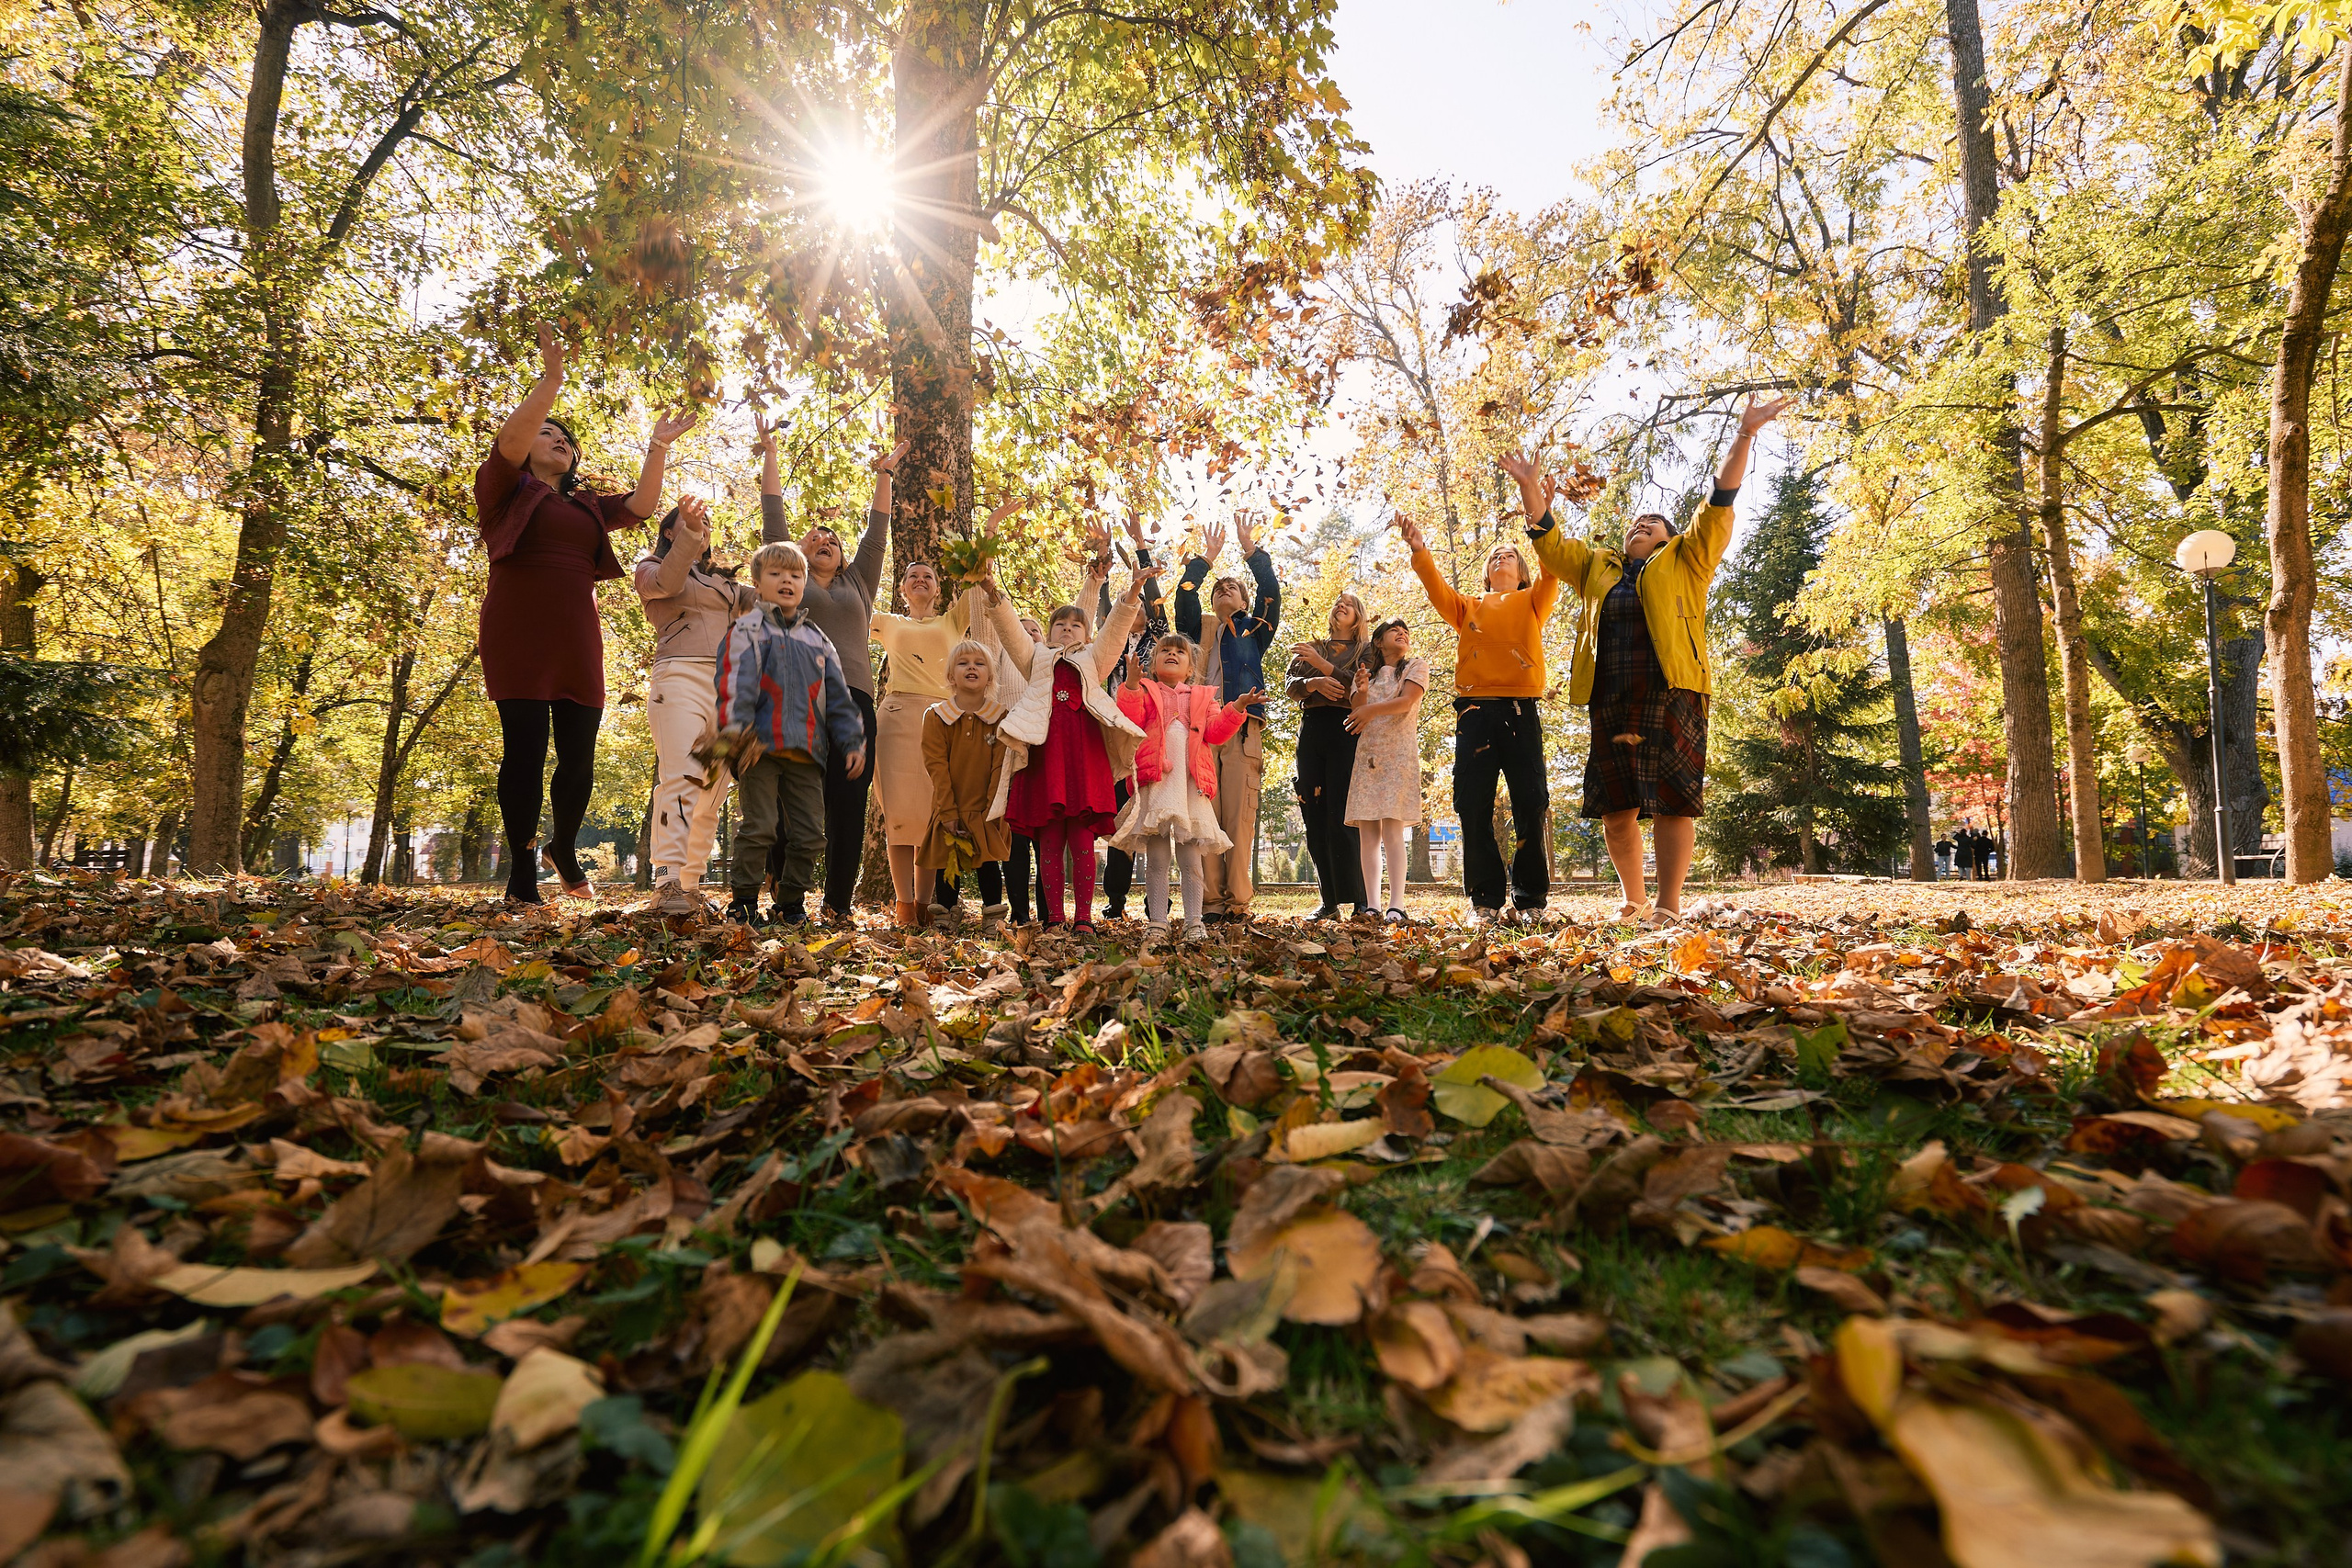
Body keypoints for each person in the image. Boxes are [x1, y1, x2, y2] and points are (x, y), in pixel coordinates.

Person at [1508, 396, 1788, 921]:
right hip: (1611, 696)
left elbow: (1720, 498)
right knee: (1618, 809)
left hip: (1674, 689)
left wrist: (1745, 434)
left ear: (1670, 535)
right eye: (1635, 523)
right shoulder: (1597, 566)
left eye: (1653, 522)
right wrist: (1530, 490)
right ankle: (1633, 902)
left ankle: (1667, 905)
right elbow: (1551, 545)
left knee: (1673, 800)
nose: (1642, 524)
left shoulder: (1690, 557)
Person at [477, 321, 693, 905]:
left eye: (566, 440)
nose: (558, 441)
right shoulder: (503, 490)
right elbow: (510, 440)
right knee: (523, 752)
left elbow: (644, 506)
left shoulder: (585, 506)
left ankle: (563, 844)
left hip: (576, 634)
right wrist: (550, 383)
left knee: (578, 760)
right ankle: (522, 871)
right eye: (547, 435)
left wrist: (659, 447)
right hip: (518, 629)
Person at [636, 441, 800, 916]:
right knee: (682, 775)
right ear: (670, 530)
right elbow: (666, 583)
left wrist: (796, 559)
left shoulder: (727, 584)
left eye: (706, 528)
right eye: (690, 526)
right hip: (680, 678)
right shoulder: (652, 569)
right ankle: (666, 881)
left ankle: (690, 885)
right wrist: (687, 538)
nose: (702, 532)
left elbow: (776, 600)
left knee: (712, 789)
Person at [1394, 513, 1559, 922]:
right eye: (1494, 557)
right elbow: (1436, 589)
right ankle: (1485, 901)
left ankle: (1531, 899)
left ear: (1522, 572)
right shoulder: (1467, 607)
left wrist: (1542, 522)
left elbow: (1551, 569)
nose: (1501, 558)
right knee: (1471, 804)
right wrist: (1419, 549)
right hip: (1474, 712)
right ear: (1487, 574)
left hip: (1521, 710)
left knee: (1531, 802)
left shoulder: (1533, 600)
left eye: (1510, 556)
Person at [777, 431, 904, 924]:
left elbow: (877, 531)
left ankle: (837, 903)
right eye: (815, 537)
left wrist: (884, 473)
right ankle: (787, 899)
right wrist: (771, 455)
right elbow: (774, 518)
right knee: (794, 801)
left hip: (853, 702)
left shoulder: (857, 583)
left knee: (848, 803)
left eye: (833, 539)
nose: (825, 540)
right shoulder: (787, 580)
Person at [870, 512, 1014, 928]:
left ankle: (930, 905)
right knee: (899, 814)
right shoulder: (888, 622)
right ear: (901, 588)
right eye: (912, 576)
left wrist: (987, 532)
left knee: (935, 814)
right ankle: (904, 906)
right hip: (897, 718)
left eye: (928, 576)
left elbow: (976, 574)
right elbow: (850, 611)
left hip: (946, 720)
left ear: (938, 588)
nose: (920, 580)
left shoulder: (953, 619)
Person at [713, 541, 865, 923]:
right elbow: (733, 683)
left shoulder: (817, 638)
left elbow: (839, 695)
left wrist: (851, 741)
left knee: (811, 834)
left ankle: (791, 904)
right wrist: (733, 734)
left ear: (804, 584)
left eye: (796, 575)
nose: (787, 581)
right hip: (759, 747)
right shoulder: (746, 629)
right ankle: (744, 901)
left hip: (808, 752)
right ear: (758, 583)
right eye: (776, 574)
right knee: (760, 827)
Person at [991, 570, 1146, 932]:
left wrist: (1133, 592)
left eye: (1075, 626)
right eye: (1059, 624)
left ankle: (1083, 919)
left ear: (1088, 635)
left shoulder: (1095, 659)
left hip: (1084, 757)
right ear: (1047, 634)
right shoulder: (1036, 660)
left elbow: (1116, 629)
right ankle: (1055, 918)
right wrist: (992, 593)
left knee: (1081, 839)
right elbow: (1011, 632)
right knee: (1049, 838)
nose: (1066, 629)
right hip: (1045, 757)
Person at [1111, 634, 1258, 940]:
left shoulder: (1204, 697)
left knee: (1191, 857)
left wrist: (1237, 708)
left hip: (1190, 784)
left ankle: (1194, 921)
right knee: (1158, 857)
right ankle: (1158, 922)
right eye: (1165, 650)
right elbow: (1132, 719)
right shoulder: (1146, 690)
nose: (1172, 654)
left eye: (1180, 652)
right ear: (1153, 664)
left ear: (1190, 668)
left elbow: (1216, 733)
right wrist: (1132, 685)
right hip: (1159, 782)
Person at [1174, 512, 1280, 923]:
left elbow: (1271, 592)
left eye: (1232, 588)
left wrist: (1251, 551)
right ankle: (1212, 904)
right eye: (1218, 589)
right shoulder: (1196, 630)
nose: (1223, 591)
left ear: (1244, 601)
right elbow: (1184, 594)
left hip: (1240, 729)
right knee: (1206, 818)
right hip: (1199, 731)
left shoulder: (1255, 628)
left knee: (1237, 817)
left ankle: (1237, 903)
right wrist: (1206, 562)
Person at [1096, 513, 1170, 920]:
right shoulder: (1111, 640)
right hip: (1116, 736)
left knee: (1157, 817)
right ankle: (1116, 900)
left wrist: (1140, 543)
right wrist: (1104, 553)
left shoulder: (1158, 636)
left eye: (1141, 603)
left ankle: (1158, 899)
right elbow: (1108, 602)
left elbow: (1154, 593)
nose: (1137, 606)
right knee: (1121, 819)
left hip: (1152, 736)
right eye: (1133, 602)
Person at [919, 641, 1019, 928]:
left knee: (988, 862)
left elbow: (1001, 767)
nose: (972, 667)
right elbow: (936, 766)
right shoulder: (937, 716)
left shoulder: (1001, 717)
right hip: (950, 804)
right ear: (952, 676)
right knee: (947, 861)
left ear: (990, 676)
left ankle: (993, 918)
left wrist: (992, 810)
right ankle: (945, 914)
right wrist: (948, 812)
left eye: (979, 663)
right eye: (963, 663)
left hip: (986, 807)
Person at [1286, 593, 1372, 919]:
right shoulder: (1313, 646)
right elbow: (1290, 685)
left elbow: (1360, 687)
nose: (1340, 605)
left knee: (1345, 813)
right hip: (1311, 729)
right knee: (1315, 813)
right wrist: (1313, 682)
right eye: (1337, 601)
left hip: (1347, 729)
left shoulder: (1365, 650)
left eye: (1348, 604)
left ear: (1359, 615)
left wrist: (1326, 672)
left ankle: (1361, 898)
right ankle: (1329, 901)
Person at [1345, 618, 1429, 923]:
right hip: (1368, 757)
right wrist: (1363, 692)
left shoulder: (1415, 667)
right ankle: (1372, 905)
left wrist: (1369, 709)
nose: (1402, 633)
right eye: (1394, 630)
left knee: (1393, 831)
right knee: (1368, 834)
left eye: (1405, 630)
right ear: (1378, 642)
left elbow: (1406, 702)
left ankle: (1396, 904)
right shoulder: (1363, 675)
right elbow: (1357, 712)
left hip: (1398, 756)